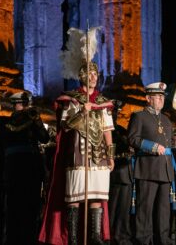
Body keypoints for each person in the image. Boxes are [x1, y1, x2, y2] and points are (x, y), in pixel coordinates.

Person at [39, 61, 115, 245]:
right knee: (75, 196)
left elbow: (107, 130)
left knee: (96, 197)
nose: (93, 77)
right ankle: (73, 239)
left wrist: (111, 155)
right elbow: (65, 126)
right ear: (82, 76)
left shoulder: (102, 102)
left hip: (99, 155)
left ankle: (95, 238)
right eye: (89, 74)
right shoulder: (71, 99)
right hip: (77, 153)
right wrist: (82, 112)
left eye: (96, 74)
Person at [0, 91, 50, 244]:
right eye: (25, 104)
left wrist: (38, 121)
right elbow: (5, 142)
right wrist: (26, 118)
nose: (28, 107)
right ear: (16, 105)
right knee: (13, 209)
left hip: (31, 169)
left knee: (31, 208)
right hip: (14, 169)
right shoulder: (5, 121)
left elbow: (45, 138)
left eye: (28, 104)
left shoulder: (33, 120)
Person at [127, 82, 174, 245]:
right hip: (148, 168)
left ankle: (163, 239)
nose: (161, 99)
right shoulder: (139, 116)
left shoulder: (166, 120)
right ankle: (143, 240)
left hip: (165, 168)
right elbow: (133, 139)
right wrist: (153, 147)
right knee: (145, 208)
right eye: (157, 96)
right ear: (148, 98)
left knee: (164, 209)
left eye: (162, 97)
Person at [109, 100, 134, 245]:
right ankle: (109, 236)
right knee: (111, 210)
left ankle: (121, 236)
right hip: (111, 175)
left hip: (125, 174)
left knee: (124, 210)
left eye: (115, 112)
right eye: (112, 112)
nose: (114, 115)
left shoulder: (121, 130)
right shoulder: (104, 131)